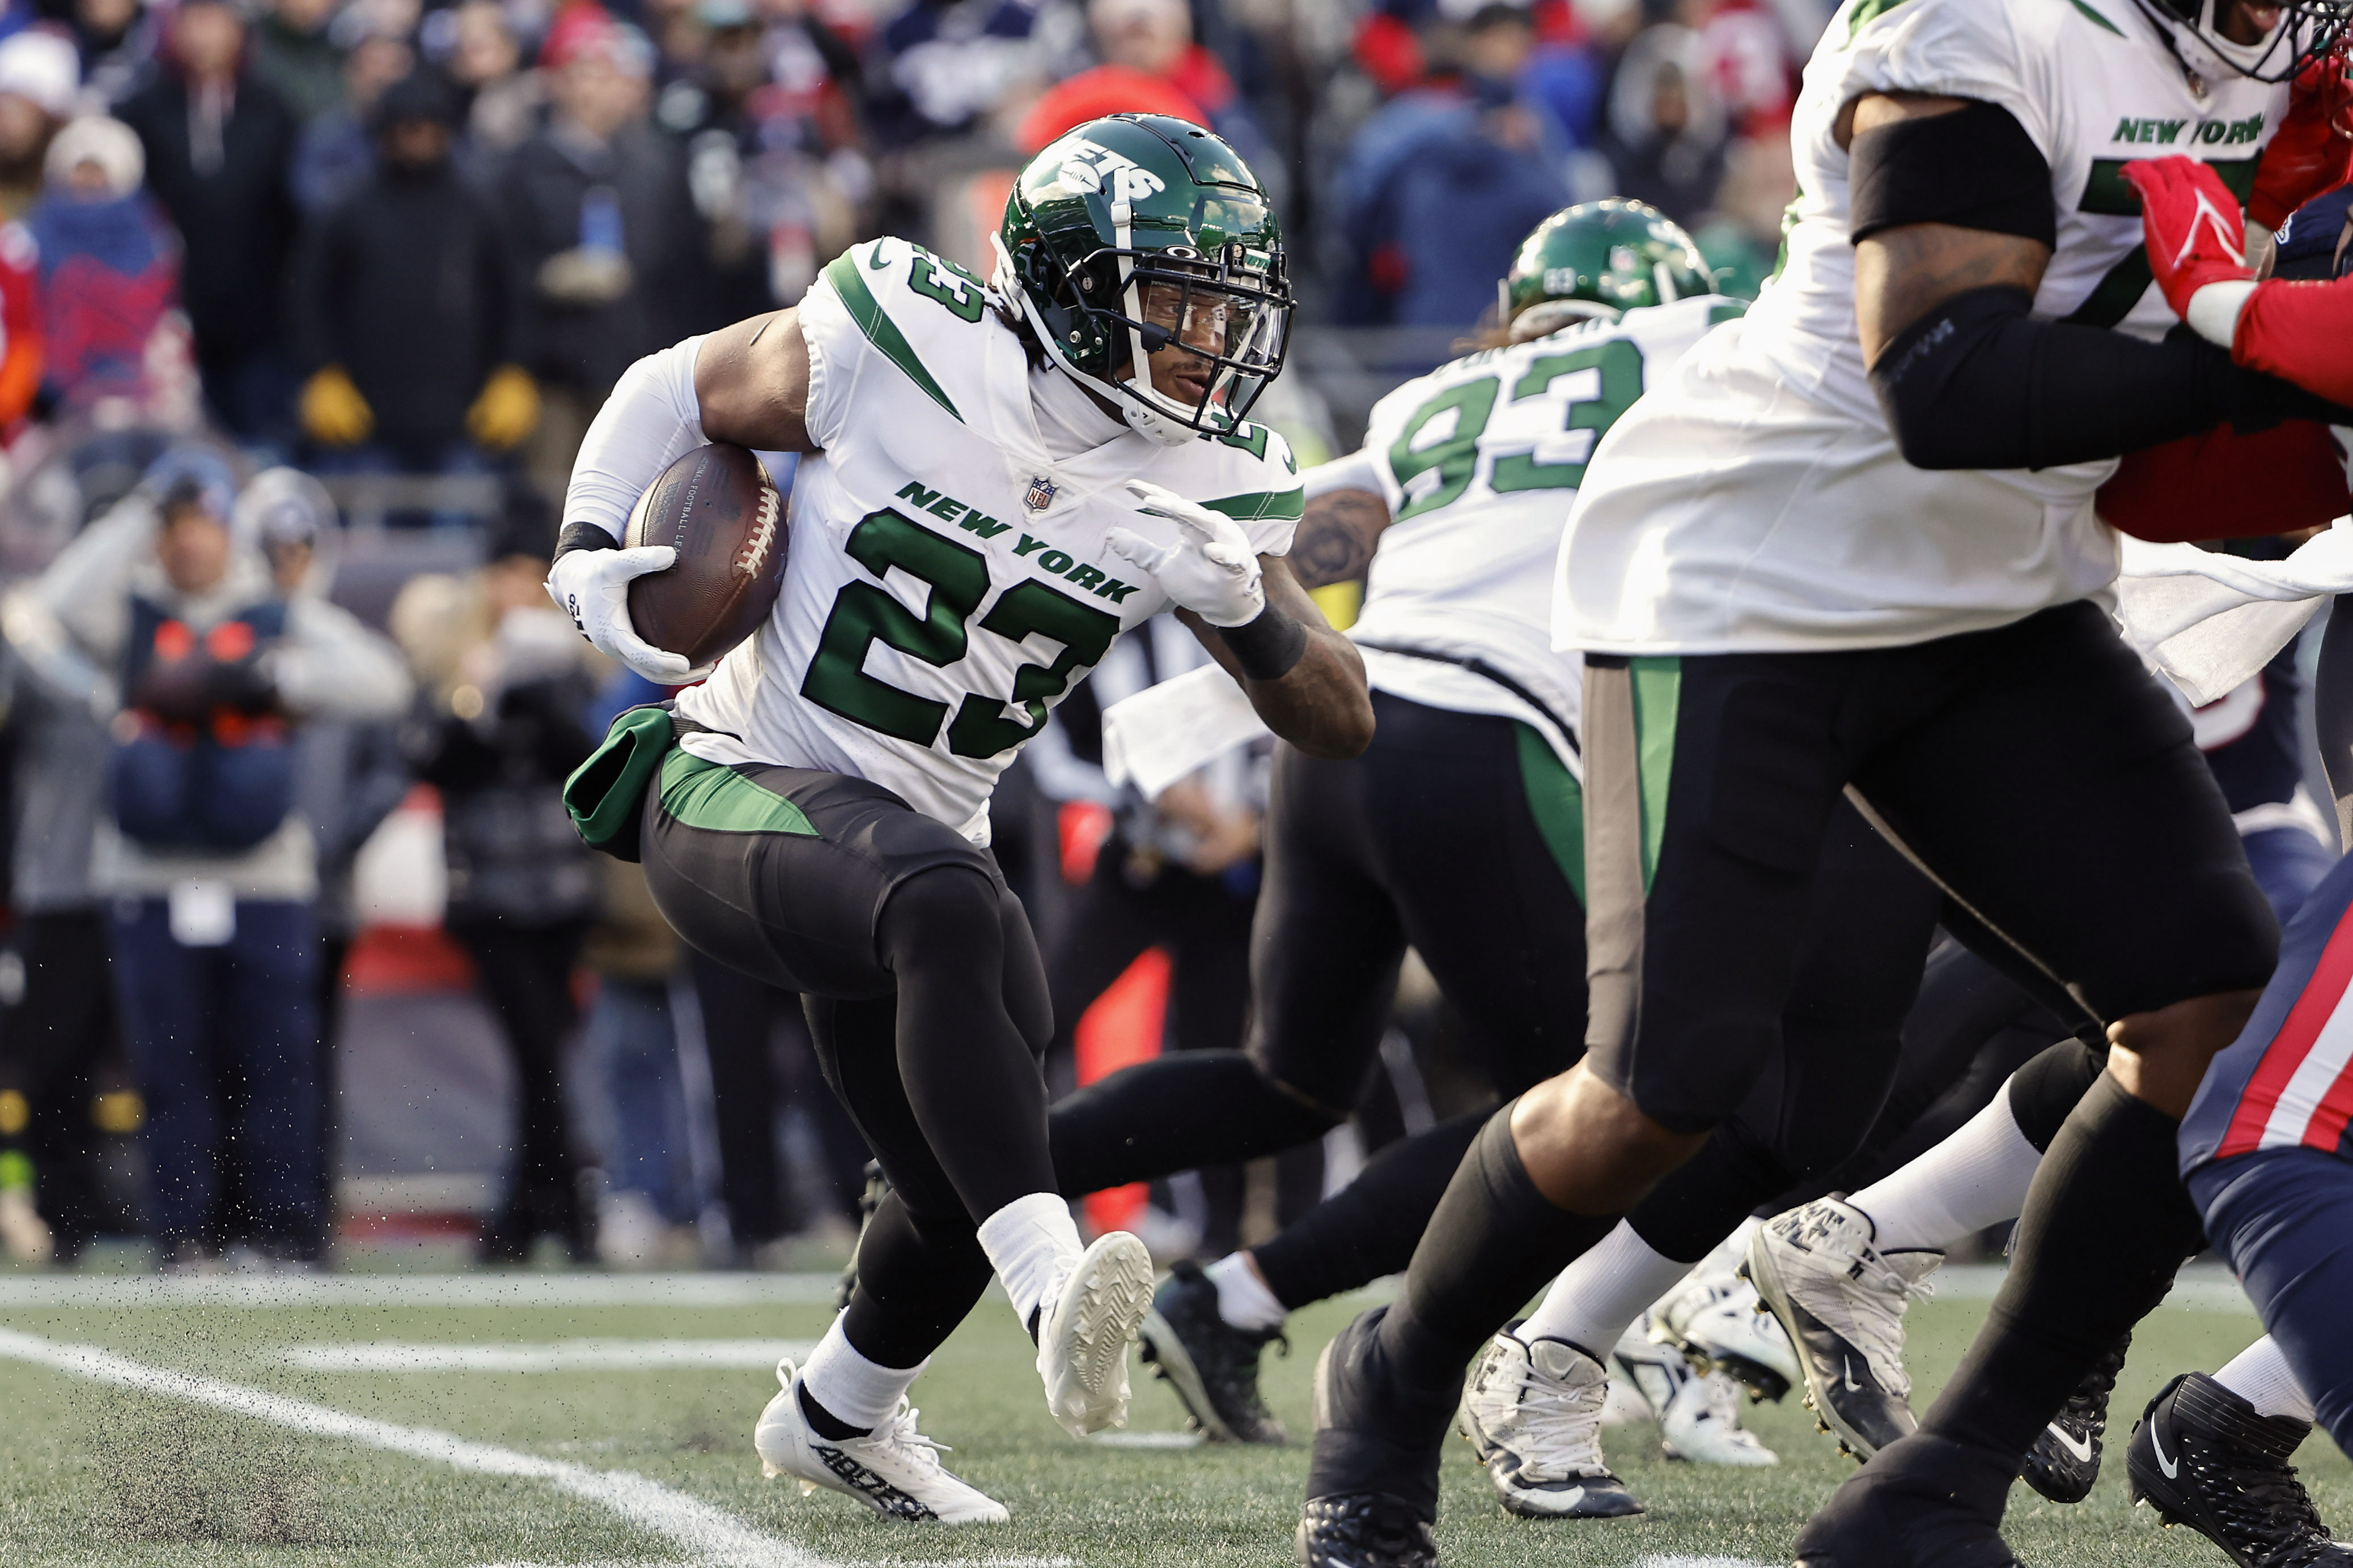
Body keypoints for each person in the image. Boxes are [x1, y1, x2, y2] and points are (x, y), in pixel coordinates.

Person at [1293, 0, 2353, 1557]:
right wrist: (2250, 340)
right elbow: (1946, 381)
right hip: (1744, 576)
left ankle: (1932, 1484)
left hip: (1993, 589)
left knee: (2198, 1004)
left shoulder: (2270, 66)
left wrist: (2274, 361)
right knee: (1665, 1086)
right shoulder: (1981, 30)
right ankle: (1384, 1379)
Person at [1040, 203, 1934, 1498]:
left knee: (1291, 1079)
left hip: (1335, 736)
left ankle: (990, 1183)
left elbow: (1310, 549)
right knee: (1613, 1107)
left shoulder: (1429, 402)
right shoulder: (1695, 340)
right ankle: (1525, 1372)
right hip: (1484, 734)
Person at [549, 113, 1364, 1523]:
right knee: (947, 914)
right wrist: (585, 549)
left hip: (927, 835)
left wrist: (1243, 605)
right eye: (1171, 301)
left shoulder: (1215, 472)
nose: (1205, 341)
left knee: (955, 1173)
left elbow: (1339, 718)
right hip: (731, 779)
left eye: (1223, 307)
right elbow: (677, 384)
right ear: (1064, 283)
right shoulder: (901, 335)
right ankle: (1059, 1301)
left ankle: (837, 1413)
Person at [14, 447, 411, 1268]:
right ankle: (182, 1235)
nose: (190, 544)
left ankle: (285, 1232)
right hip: (150, 875)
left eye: (204, 525)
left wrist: (276, 676)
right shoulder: (130, 615)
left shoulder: (270, 610)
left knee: (275, 1062)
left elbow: (382, 681)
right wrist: (137, 509)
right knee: (170, 1067)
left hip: (263, 873)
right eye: (175, 527)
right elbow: (45, 609)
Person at [393, 493, 608, 1263]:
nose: (515, 591)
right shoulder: (454, 658)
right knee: (536, 1049)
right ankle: (556, 1206)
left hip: (559, 889)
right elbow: (429, 759)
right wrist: (480, 705)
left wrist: (543, 699)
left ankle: (530, 1207)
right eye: (504, 574)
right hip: (487, 891)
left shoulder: (573, 657)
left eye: (529, 575)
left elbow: (587, 760)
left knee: (543, 1051)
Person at [292, 67, 538, 487]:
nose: (416, 137)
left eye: (426, 126)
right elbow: (309, 297)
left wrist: (513, 370)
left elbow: (513, 297)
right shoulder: (349, 209)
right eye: (405, 127)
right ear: (383, 133)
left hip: (466, 423)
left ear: (446, 131)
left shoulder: (479, 210)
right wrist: (322, 371)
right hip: (363, 426)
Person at [116, 0, 303, 447]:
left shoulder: (271, 110)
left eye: (214, 20)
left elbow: (291, 220)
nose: (203, 35)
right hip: (168, 322)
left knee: (258, 449)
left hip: (258, 327)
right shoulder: (143, 111)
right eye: (192, 21)